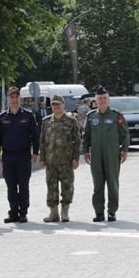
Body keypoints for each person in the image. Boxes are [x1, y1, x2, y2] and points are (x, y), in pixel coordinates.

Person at [81, 86, 130, 222]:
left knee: (112, 183)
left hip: (112, 154)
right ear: (95, 100)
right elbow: (86, 136)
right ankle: (99, 212)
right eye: (99, 98)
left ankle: (112, 212)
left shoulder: (116, 115)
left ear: (108, 100)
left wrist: (124, 150)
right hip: (96, 155)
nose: (102, 100)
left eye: (104, 98)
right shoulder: (91, 117)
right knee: (98, 184)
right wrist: (85, 151)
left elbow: (125, 134)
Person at [0, 86, 39, 224]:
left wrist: (35, 152)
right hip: (8, 157)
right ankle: (13, 212)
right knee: (11, 186)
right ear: (7, 99)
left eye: (16, 97)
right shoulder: (2, 117)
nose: (14, 99)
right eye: (11, 97)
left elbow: (35, 136)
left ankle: (23, 213)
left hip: (24, 156)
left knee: (23, 185)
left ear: (20, 99)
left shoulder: (28, 116)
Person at [39, 94, 82, 223]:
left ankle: (65, 212)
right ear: (51, 106)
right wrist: (42, 158)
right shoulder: (46, 121)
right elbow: (42, 141)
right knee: (51, 188)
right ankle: (53, 213)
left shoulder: (71, 121)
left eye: (58, 104)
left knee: (67, 187)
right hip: (51, 161)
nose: (56, 106)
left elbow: (78, 141)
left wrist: (76, 158)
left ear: (63, 105)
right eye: (54, 104)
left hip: (66, 161)